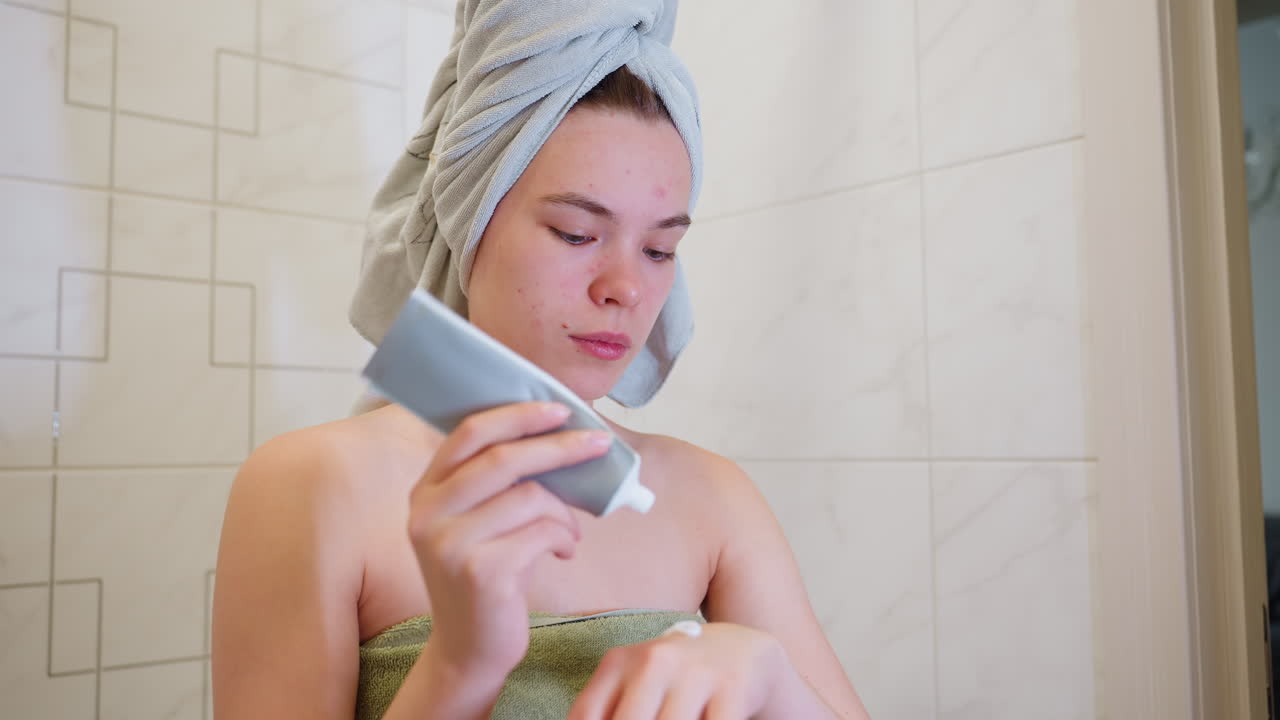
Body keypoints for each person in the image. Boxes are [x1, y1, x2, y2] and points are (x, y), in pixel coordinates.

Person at [211, 2, 871, 718]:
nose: (625, 288)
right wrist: (461, 665)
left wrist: (777, 688)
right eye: (576, 233)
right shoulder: (311, 487)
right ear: (469, 223)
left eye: (659, 250)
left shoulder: (714, 500)